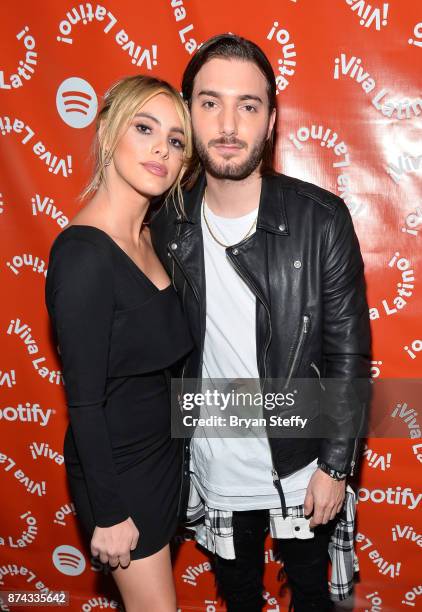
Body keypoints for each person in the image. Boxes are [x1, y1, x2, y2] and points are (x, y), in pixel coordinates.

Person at [150, 35, 371, 611]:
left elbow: (349, 353)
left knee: (312, 593)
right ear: (187, 110)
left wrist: (335, 465)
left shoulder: (319, 218)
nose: (228, 123)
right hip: (212, 462)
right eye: (210, 102)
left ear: (271, 120)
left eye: (248, 105)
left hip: (302, 461)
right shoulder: (164, 223)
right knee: (240, 595)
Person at [45, 75, 194, 611]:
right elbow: (83, 401)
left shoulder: (152, 236)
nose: (162, 148)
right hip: (120, 470)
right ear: (108, 132)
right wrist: (108, 513)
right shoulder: (84, 256)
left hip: (163, 455)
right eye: (145, 127)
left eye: (177, 141)